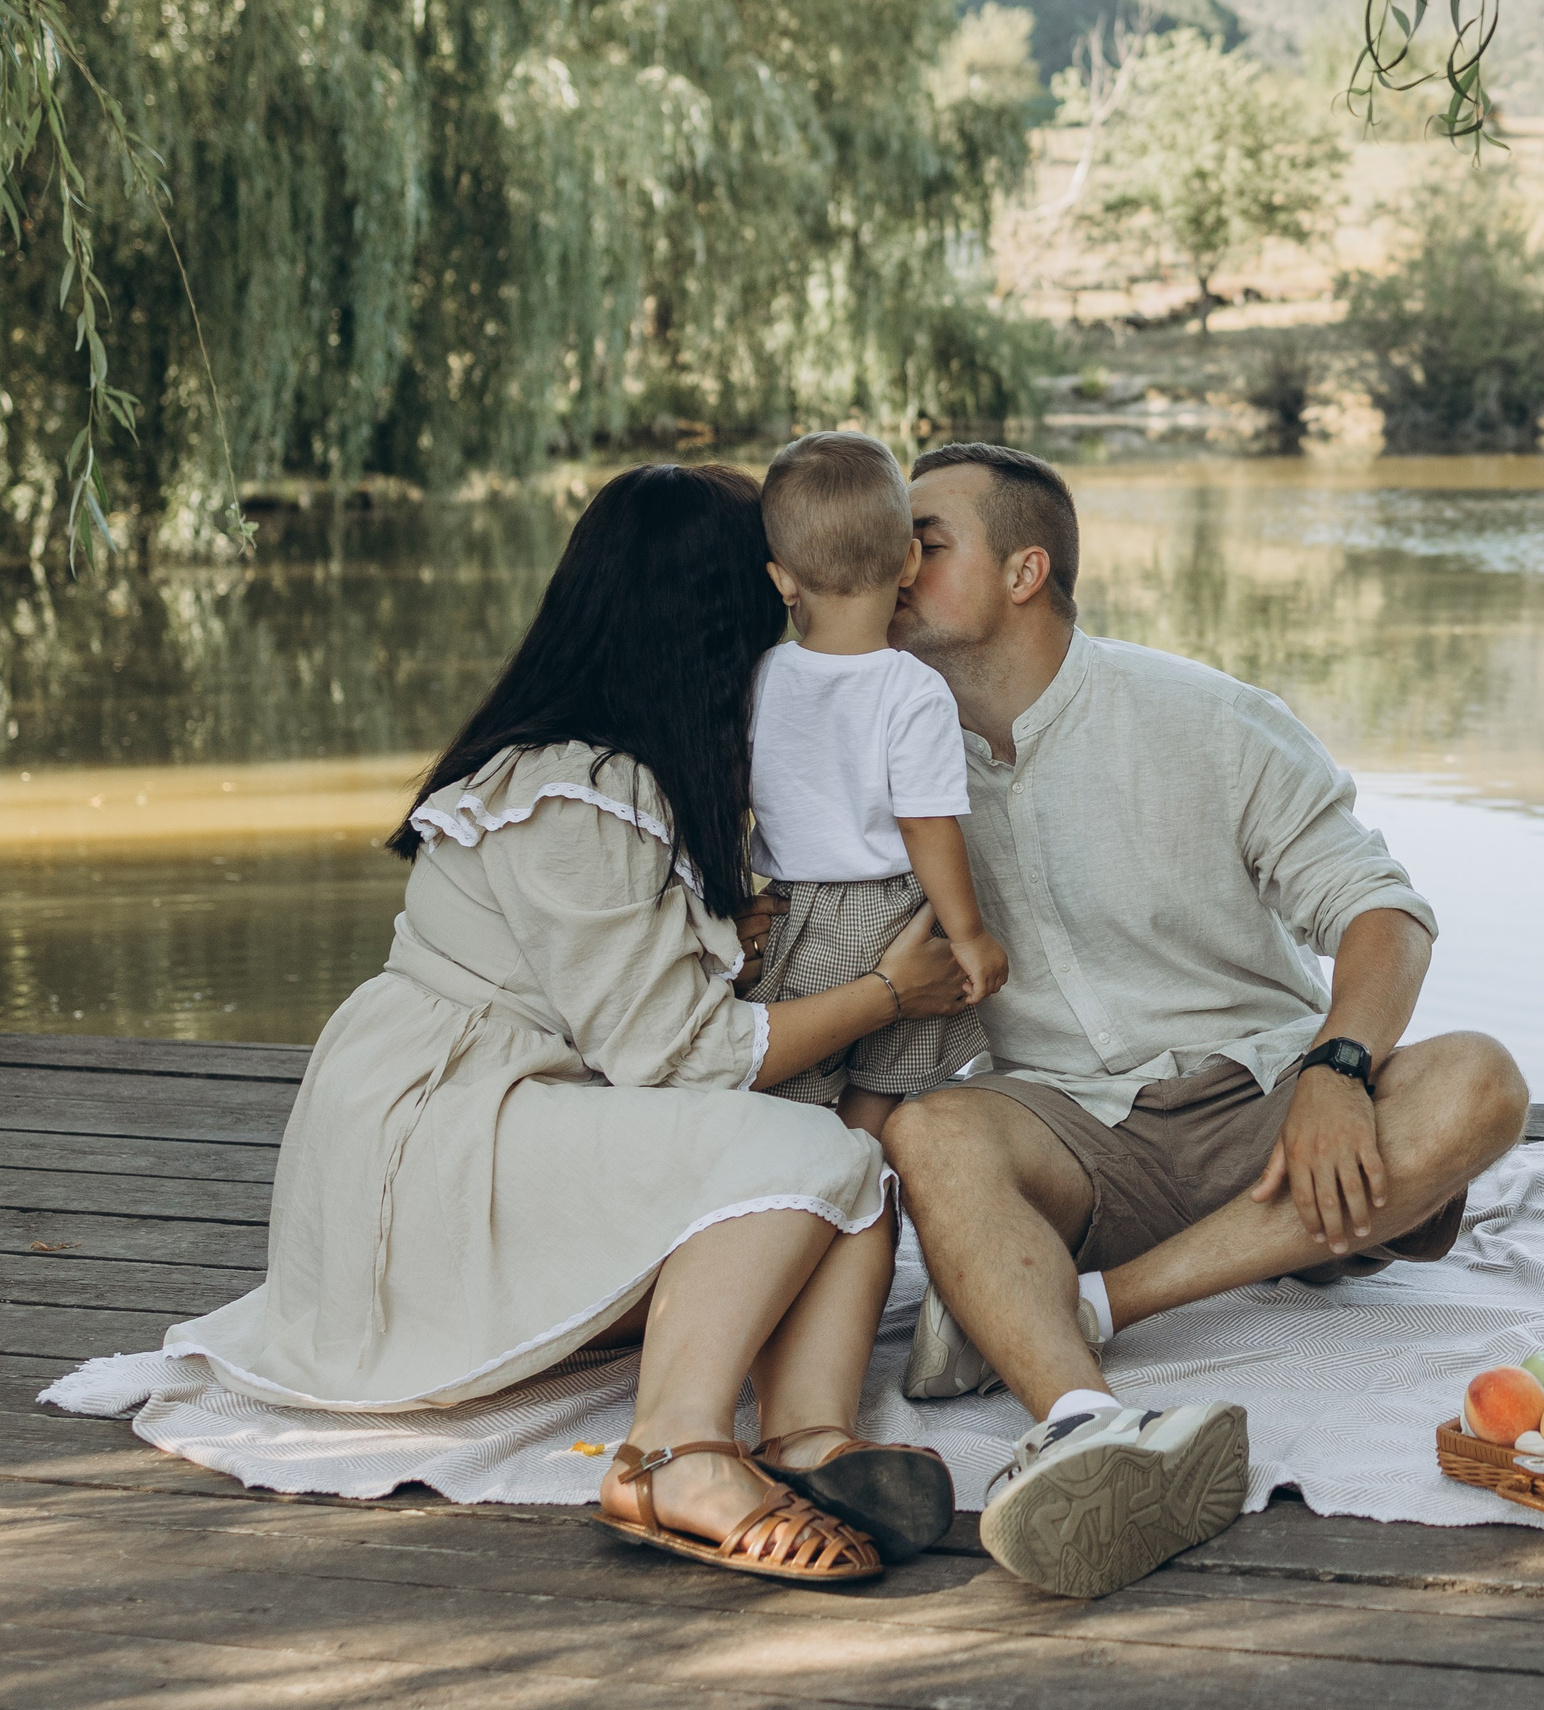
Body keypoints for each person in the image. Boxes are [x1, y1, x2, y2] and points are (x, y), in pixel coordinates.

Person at [163, 463, 964, 1585]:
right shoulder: (572, 788)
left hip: (517, 1104)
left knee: (852, 1180)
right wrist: (891, 993)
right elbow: (682, 1059)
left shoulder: (623, 773)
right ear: (724, 613)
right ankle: (671, 1453)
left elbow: (629, 984)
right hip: (443, 1135)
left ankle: (812, 1444)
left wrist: (732, 931)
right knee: (800, 1151)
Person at [883, 442, 1532, 1599]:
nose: (893, 564)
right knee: (932, 1132)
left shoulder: (1205, 716)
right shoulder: (881, 759)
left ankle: (1091, 1305)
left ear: (1025, 571)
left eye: (924, 543)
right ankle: (1085, 1420)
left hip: (1268, 1107)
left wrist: (1339, 1066)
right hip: (1075, 1129)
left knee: (1480, 1080)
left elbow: (1382, 909)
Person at [740, 431, 1008, 1142]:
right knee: (883, 1086)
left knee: (792, 1097)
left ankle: (802, 1195)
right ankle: (861, 1171)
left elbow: (741, 798)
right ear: (910, 561)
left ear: (783, 581)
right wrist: (970, 932)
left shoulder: (761, 679)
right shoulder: (914, 690)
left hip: (798, 917)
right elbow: (927, 823)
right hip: (893, 913)